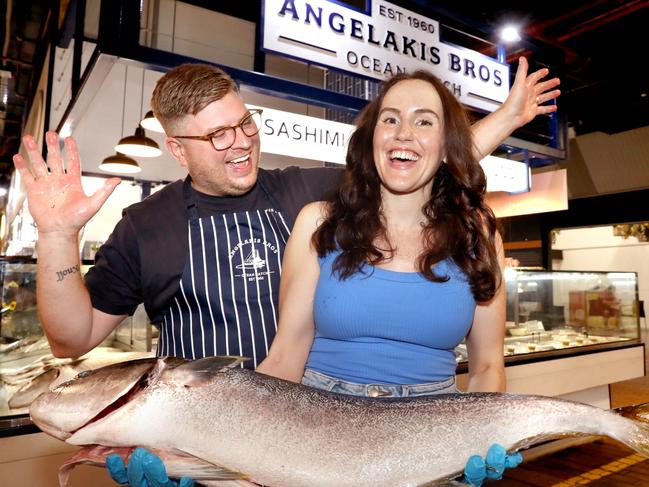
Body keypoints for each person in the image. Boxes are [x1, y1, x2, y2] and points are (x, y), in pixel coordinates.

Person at [13, 59, 559, 487]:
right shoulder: (145, 228)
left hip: (313, 433)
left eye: (242, 123)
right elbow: (71, 339)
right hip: (207, 441)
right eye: (216, 136)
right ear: (177, 149)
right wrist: (58, 235)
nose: (240, 143)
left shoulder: (305, 194)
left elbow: (411, 163)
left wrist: (507, 118)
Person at [255, 68, 521, 482]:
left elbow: (487, 365)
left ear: (447, 144)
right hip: (319, 430)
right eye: (390, 119)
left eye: (424, 121)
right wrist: (230, 448)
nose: (403, 133)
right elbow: (286, 355)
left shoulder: (479, 235)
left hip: (433, 438)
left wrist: (478, 437)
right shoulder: (318, 223)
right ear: (372, 138)